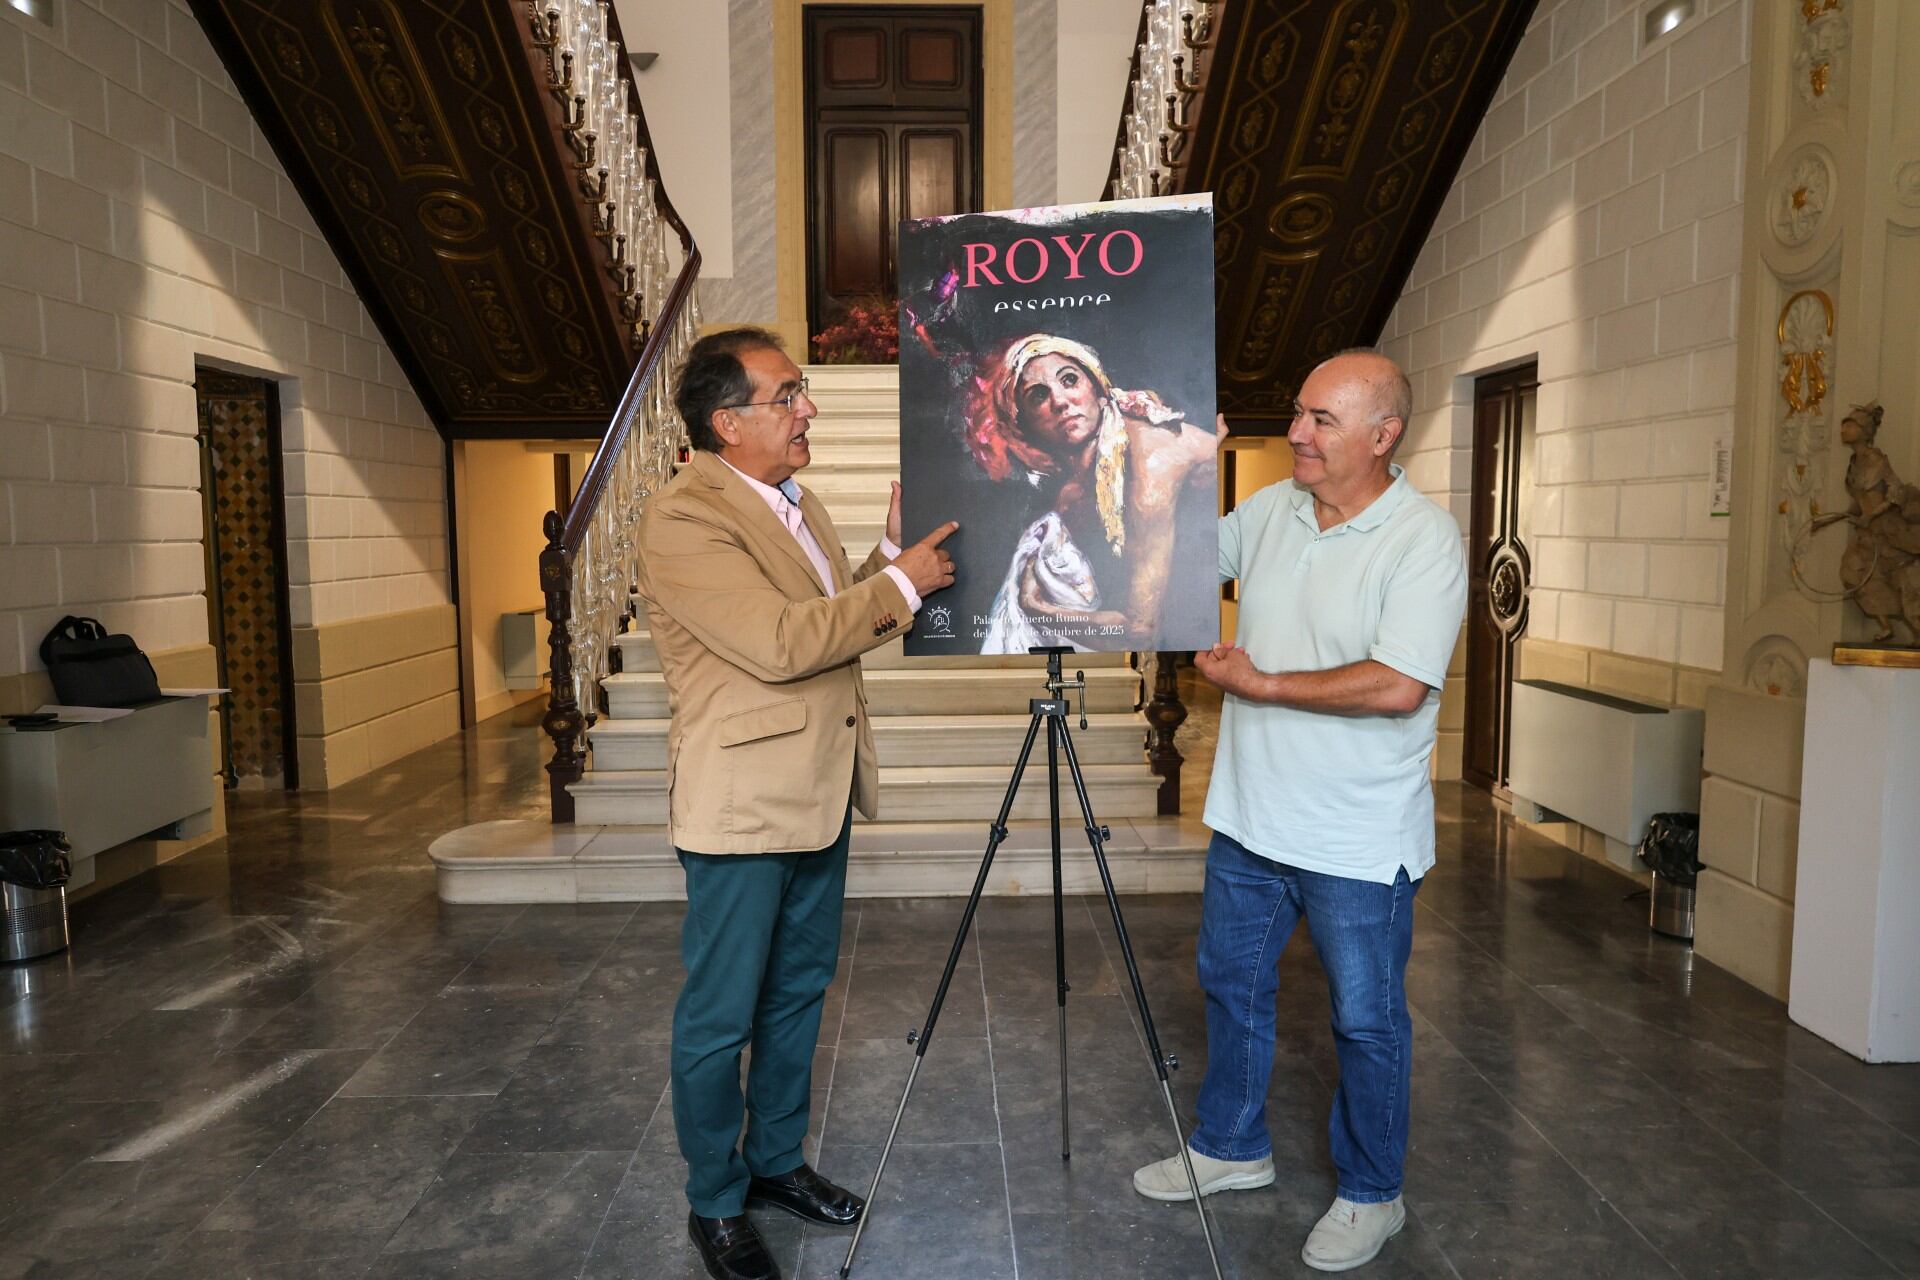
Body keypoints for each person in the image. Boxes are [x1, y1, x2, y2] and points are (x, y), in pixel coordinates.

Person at [1131, 350, 1467, 1273]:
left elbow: (1399, 685)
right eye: (1298, 413)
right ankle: (1231, 1147)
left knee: (1366, 1022)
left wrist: (1264, 682)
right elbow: (1183, 561)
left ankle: (1373, 1194)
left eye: (1320, 420)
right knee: (1230, 987)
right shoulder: (1275, 508)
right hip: (1249, 816)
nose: (1296, 434)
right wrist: (1182, 473)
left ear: (1382, 436)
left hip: (1358, 835)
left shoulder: (1423, 541)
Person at [635, 327, 958, 1280]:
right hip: (741, 808)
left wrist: (884, 557)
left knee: (796, 999)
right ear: (727, 422)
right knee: (720, 1018)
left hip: (819, 792)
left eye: (802, 391)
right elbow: (779, 643)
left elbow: (827, 628)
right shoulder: (682, 518)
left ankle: (775, 1165)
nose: (806, 408)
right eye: (787, 396)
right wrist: (902, 586)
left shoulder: (795, 501)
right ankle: (716, 1201)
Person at [962, 334, 1220, 651]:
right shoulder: (1072, 479)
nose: (1059, 401)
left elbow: (1141, 632)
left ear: (1098, 390)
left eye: (1069, 380)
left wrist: (1037, 608)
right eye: (1038, 396)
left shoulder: (1151, 461)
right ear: (1024, 425)